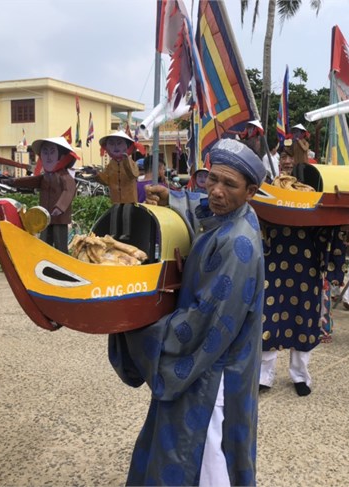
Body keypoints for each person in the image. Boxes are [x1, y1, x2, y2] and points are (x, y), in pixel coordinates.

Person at [108, 138, 266, 486]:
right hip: (213, 363)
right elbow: (204, 209)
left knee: (202, 455)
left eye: (230, 184)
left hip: (214, 373)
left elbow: (205, 321)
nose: (217, 192)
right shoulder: (236, 216)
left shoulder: (238, 245)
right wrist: (174, 198)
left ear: (251, 190)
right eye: (213, 179)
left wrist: (138, 327)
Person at [260, 141, 349, 395]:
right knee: (269, 319)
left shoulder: (312, 193)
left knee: (303, 318)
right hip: (274, 264)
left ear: (301, 160)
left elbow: (326, 227)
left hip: (306, 266)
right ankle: (264, 377)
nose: (287, 162)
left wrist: (344, 223)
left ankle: (300, 376)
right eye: (283, 157)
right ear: (278, 161)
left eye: (292, 158)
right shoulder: (266, 191)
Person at [7, 136, 77, 253]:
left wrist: (60, 207)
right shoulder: (45, 176)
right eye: (45, 152)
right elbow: (33, 181)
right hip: (45, 217)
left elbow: (69, 190)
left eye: (52, 152)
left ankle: (62, 266)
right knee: (45, 243)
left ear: (62, 156)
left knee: (60, 245)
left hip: (59, 218)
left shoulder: (64, 176)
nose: (48, 157)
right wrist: (13, 182)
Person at [97, 131, 140, 239]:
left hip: (129, 197)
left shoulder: (131, 162)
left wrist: (126, 161)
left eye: (119, 143)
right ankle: (113, 233)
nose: (115, 147)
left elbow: (133, 174)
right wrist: (96, 174)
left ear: (127, 146)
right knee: (115, 210)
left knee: (126, 211)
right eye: (111, 144)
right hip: (116, 197)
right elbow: (106, 179)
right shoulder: (111, 164)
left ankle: (127, 233)